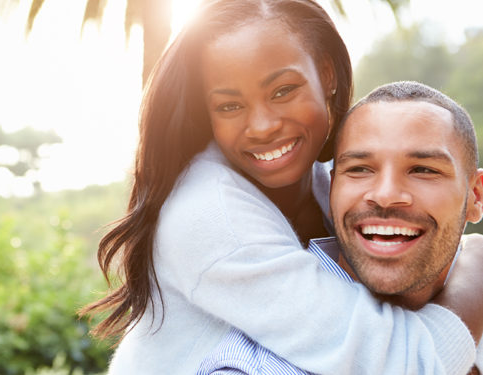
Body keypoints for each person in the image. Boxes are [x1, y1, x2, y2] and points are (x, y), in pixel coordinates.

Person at [80, 1, 483, 374]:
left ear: (326, 74)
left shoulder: (330, 179)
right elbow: (401, 363)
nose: (262, 126)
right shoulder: (209, 213)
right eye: (229, 106)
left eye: (283, 91)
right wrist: (474, 276)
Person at [197, 81, 483, 374]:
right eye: (359, 169)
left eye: (423, 170)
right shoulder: (254, 368)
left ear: (475, 196)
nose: (385, 195)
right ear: (333, 187)